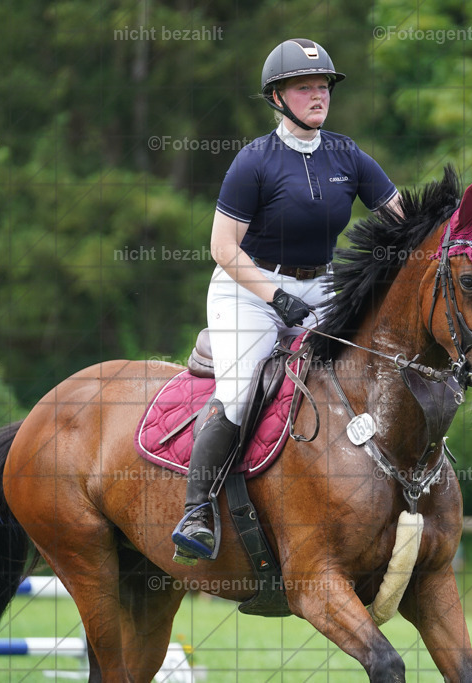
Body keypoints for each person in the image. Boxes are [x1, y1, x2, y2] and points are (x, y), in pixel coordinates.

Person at [171, 39, 402, 564]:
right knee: (240, 392)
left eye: (323, 87)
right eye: (305, 88)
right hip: (248, 289)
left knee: (371, 370)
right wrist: (275, 295)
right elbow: (222, 248)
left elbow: (402, 221)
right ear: (277, 97)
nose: (319, 96)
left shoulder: (349, 155)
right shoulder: (254, 162)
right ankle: (197, 510)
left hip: (321, 286)